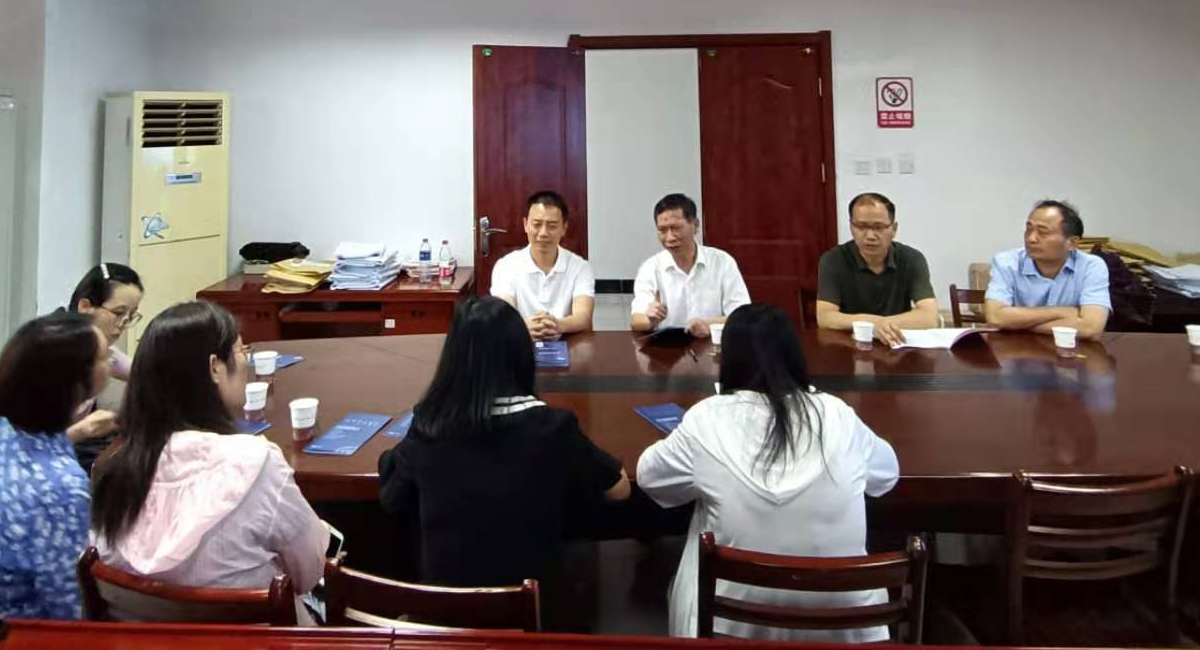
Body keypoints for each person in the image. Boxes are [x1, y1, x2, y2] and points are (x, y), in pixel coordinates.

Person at [637, 304, 899, 640]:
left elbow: (649, 477)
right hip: (844, 627)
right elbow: (887, 474)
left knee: (701, 523)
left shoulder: (708, 418)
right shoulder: (836, 413)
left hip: (730, 627)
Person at [90, 301, 328, 613]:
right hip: (255, 634)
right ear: (215, 367)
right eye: (241, 350)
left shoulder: (114, 468)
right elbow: (309, 572)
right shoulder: (256, 463)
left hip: (140, 634)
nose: (245, 362)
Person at [378, 295, 629, 590]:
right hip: (531, 605)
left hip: (446, 608)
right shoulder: (553, 427)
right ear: (522, 355)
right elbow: (619, 489)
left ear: (453, 357)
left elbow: (392, 498)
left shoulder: (429, 425)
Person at [0, 313, 109, 619]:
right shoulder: (62, 488)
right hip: (21, 623)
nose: (111, 361)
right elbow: (66, 607)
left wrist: (78, 432)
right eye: (104, 357)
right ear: (74, 382)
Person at [815, 193, 937, 347]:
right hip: (848, 346)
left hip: (897, 345)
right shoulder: (833, 260)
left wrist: (881, 325)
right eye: (861, 226)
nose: (870, 236)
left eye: (878, 227)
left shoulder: (912, 259)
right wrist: (874, 323)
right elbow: (825, 317)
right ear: (851, 227)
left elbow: (929, 317)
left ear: (894, 228)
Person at [984, 199, 1111, 340]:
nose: (1031, 238)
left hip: (1072, 350)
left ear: (1072, 243)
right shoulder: (1007, 262)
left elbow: (1091, 328)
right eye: (1029, 229)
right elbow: (995, 318)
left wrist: (1017, 324)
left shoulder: (1091, 266)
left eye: (1043, 232)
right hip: (1018, 349)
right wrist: (1065, 312)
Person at [630, 194, 750, 337]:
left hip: (712, 343)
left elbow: (743, 316)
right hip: (667, 348)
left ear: (696, 225)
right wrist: (650, 320)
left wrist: (707, 325)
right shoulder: (650, 268)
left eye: (676, 228)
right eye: (662, 230)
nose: (669, 237)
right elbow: (636, 321)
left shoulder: (722, 262)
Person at [64, 262, 145, 456]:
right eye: (118, 313)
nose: (123, 324)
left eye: (130, 316)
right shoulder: (51, 354)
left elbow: (145, 374)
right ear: (85, 307)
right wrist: (82, 430)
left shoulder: (104, 352)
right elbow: (27, 444)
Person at [491, 190, 595, 341]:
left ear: (564, 228)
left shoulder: (580, 267)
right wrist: (522, 327)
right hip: (519, 343)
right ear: (526, 225)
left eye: (552, 226)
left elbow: (583, 317)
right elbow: (504, 313)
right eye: (537, 224)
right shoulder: (505, 266)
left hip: (567, 343)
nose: (543, 233)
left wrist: (558, 325)